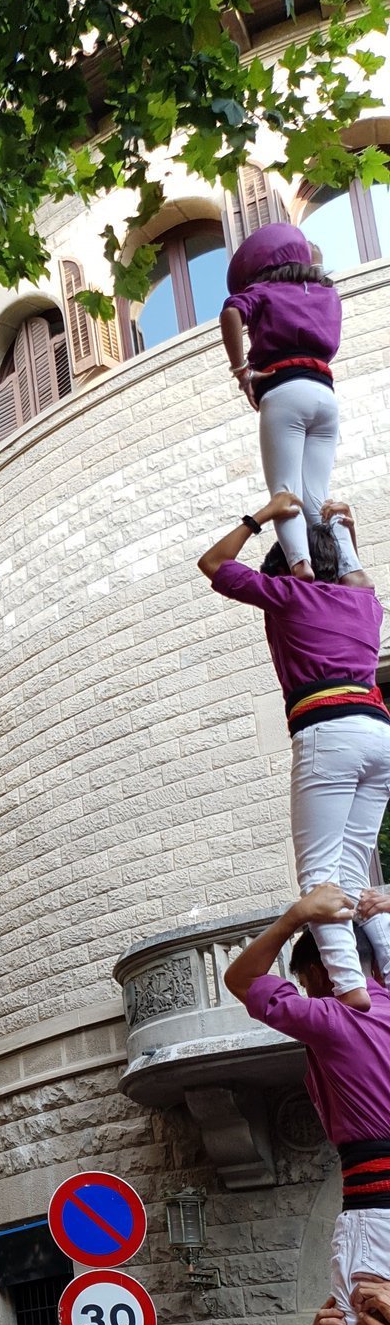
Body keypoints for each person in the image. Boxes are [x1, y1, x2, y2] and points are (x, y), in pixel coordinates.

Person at [201, 491, 389, 1003]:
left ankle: (350, 985)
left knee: (318, 871)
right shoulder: (366, 604)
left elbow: (213, 563)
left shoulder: (288, 595)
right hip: (379, 732)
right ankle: (386, 967)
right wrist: (342, 534)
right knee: (352, 864)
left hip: (328, 729)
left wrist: (260, 517)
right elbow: (355, 575)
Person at [224, 882, 390, 1325]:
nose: (306, 994)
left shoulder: (335, 1017)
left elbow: (241, 980)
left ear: (322, 971)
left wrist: (295, 916)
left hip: (378, 1210)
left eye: (306, 983)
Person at [221, 222, 343, 575]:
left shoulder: (263, 291)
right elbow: (313, 261)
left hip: (285, 390)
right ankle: (350, 567)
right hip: (324, 393)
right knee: (318, 496)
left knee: (285, 491)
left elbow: (230, 313)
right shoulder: (325, 293)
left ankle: (300, 564)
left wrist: (241, 371)